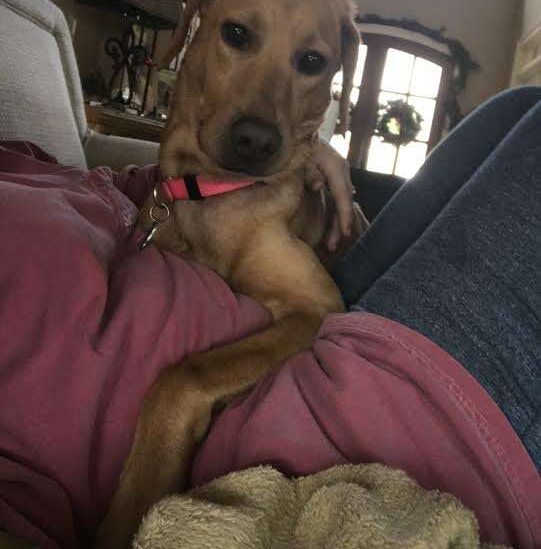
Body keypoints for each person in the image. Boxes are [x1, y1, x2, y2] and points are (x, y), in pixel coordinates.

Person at [0, 87, 540, 549]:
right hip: (331, 409)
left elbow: (128, 185)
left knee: (518, 105)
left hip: (315, 304)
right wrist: (181, 399)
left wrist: (284, 157)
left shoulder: (15, 160)